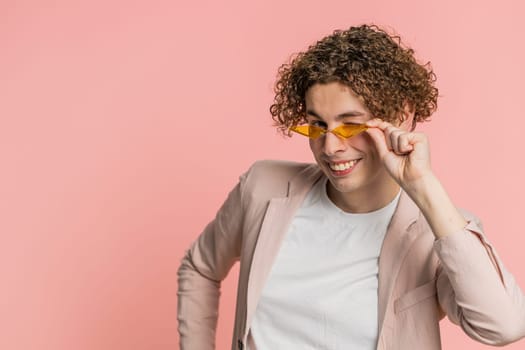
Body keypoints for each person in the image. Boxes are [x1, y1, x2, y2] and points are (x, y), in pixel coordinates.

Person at [177, 24, 525, 350]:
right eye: (317, 125)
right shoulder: (263, 187)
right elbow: (200, 267)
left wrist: (423, 186)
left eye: (349, 125)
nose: (329, 148)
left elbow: (504, 326)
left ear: (399, 117)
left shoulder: (440, 231)